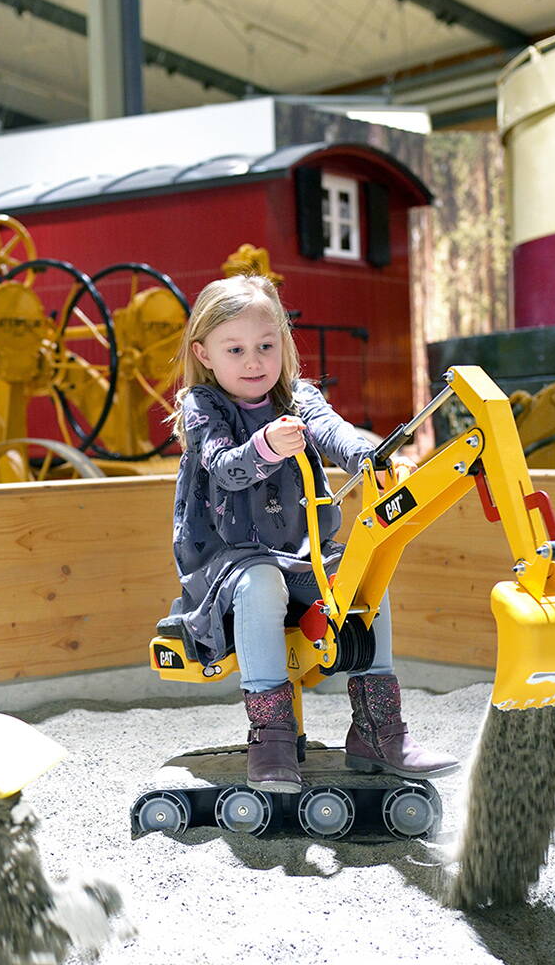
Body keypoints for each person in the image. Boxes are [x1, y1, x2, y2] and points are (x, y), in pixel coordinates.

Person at [164, 275, 459, 793]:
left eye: (266, 346)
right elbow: (226, 468)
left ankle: (377, 728)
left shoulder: (298, 397)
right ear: (204, 353)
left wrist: (374, 459)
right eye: (235, 349)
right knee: (261, 583)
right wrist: (266, 446)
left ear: (284, 344)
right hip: (229, 560)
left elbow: (334, 432)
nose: (253, 362)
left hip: (302, 554)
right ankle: (272, 737)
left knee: (366, 571)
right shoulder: (204, 407)